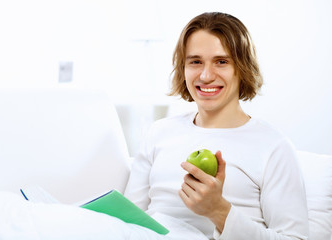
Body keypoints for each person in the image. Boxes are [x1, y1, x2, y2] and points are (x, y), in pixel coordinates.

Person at [124, 12, 309, 239]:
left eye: (221, 62)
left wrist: (219, 211)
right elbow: (126, 219)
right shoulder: (159, 133)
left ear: (242, 68)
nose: (205, 75)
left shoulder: (273, 146)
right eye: (195, 62)